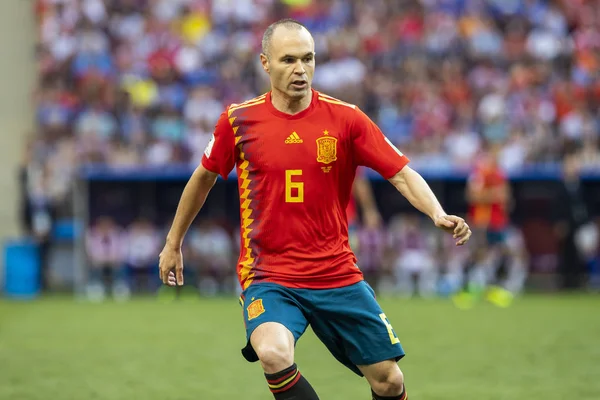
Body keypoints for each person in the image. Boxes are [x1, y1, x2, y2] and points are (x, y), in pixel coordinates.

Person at [158, 19, 471, 400]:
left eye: (308, 59)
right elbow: (203, 178)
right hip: (268, 274)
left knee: (389, 381)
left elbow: (401, 173)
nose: (300, 69)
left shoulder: (347, 118)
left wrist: (436, 212)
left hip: (336, 272)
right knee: (273, 353)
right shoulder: (238, 121)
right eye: (288, 60)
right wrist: (173, 242)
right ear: (265, 63)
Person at [455, 145, 513, 308]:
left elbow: (505, 195)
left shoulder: (500, 174)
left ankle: (494, 289)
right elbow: (472, 195)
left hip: (497, 221)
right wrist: (493, 195)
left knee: (502, 253)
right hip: (482, 220)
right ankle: (465, 290)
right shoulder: (480, 173)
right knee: (478, 254)